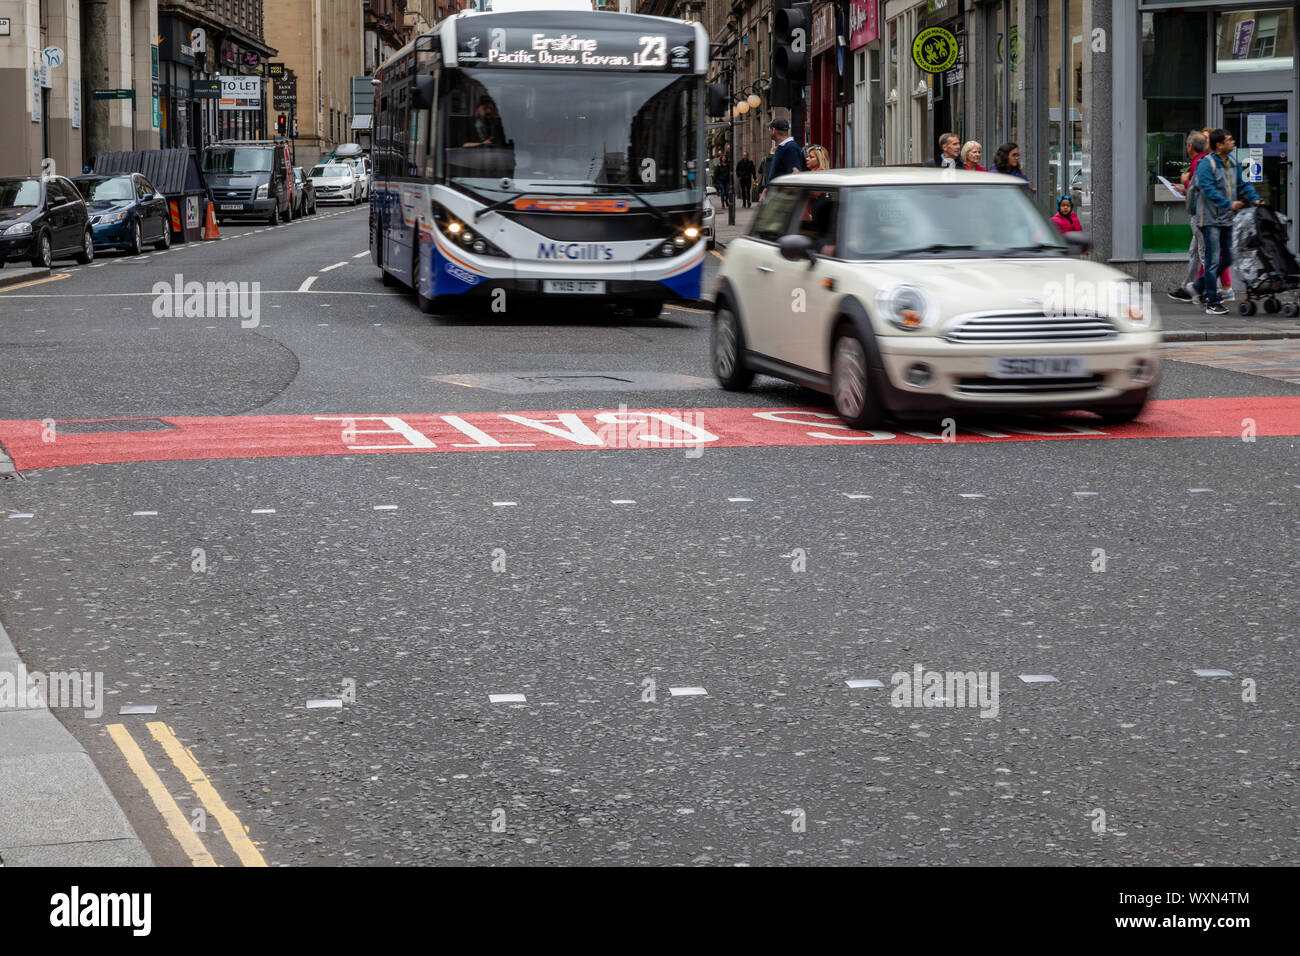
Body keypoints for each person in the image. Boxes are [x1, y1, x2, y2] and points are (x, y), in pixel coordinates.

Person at [1191, 127, 1264, 315]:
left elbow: (1242, 184)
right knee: (1213, 260)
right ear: (1219, 144)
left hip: (1227, 219)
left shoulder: (1232, 162)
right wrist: (1228, 204)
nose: (1233, 142)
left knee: (1230, 257)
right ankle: (1212, 302)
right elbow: (1207, 190)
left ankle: (1199, 285)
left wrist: (1255, 198)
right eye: (1229, 140)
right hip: (1209, 220)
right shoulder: (1207, 164)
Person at [1168, 129, 1210, 304]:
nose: (1186, 146)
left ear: (1190, 146)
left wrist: (1185, 181)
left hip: (1200, 216)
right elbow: (1195, 191)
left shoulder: (1199, 163)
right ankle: (1187, 287)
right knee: (1194, 252)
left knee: (1203, 254)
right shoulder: (1200, 161)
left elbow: (1201, 189)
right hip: (1199, 214)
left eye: (1187, 143)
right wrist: (1183, 189)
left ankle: (1208, 290)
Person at [759, 117, 805, 201]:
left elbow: (794, 176)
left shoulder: (790, 148)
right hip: (775, 197)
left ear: (773, 130)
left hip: (780, 199)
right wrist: (766, 190)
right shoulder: (782, 147)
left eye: (770, 129)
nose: (769, 132)